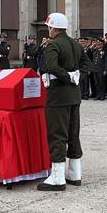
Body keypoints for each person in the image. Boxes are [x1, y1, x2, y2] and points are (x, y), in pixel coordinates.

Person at [37, 13, 92, 191]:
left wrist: (67, 77)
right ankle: (75, 173)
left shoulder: (53, 45)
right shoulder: (76, 44)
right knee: (73, 133)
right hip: (74, 96)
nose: (49, 31)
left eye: (49, 28)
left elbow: (51, 66)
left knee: (57, 135)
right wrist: (77, 77)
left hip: (58, 96)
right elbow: (87, 65)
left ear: (53, 28)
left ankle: (58, 177)